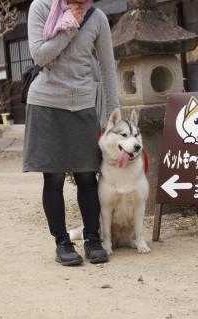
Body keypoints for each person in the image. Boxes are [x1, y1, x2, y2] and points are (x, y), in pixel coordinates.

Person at [23, 0, 120, 266]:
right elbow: (40, 56)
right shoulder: (40, 8)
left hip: (83, 105)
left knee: (88, 176)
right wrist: (69, 25)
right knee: (53, 178)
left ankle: (92, 239)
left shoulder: (97, 17)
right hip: (46, 103)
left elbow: (107, 69)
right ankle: (62, 243)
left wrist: (113, 116)